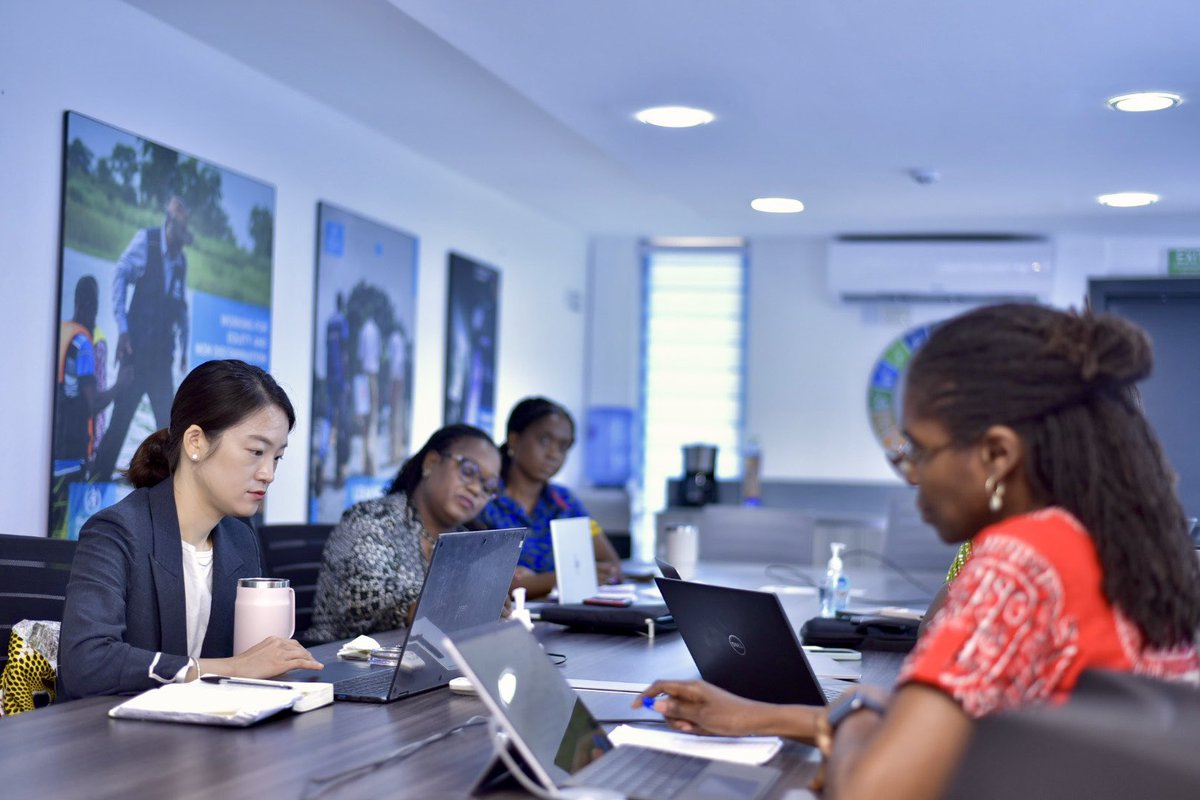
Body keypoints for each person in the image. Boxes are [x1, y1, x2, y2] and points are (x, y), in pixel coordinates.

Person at [634, 304, 1200, 800]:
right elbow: (991, 730)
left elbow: (872, 791)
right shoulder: (1112, 539)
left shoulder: (1024, 557)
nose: (911, 479)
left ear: (997, 454)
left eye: (919, 452)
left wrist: (857, 711)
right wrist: (757, 717)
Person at [58, 360, 322, 701]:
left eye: (276, 458)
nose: (268, 473)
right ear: (195, 442)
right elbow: (87, 664)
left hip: (208, 732)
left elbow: (257, 663)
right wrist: (231, 668)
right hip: (114, 740)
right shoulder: (116, 532)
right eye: (256, 452)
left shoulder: (240, 539)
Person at [305, 424, 503, 643]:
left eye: (489, 486)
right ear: (431, 463)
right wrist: (462, 607)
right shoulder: (370, 520)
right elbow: (365, 605)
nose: (476, 489)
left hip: (425, 664)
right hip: (340, 663)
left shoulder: (469, 543)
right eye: (468, 471)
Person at [475, 397, 621, 598]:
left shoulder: (565, 503)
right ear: (515, 440)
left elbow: (611, 566)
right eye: (544, 440)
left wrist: (535, 582)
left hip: (561, 619)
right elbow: (484, 582)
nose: (554, 454)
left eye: (563, 446)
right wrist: (565, 578)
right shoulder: (482, 496)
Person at [92, 196, 192, 483]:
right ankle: (96, 481)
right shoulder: (146, 243)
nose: (180, 243)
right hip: (135, 354)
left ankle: (172, 494)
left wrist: (185, 349)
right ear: (169, 226)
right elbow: (120, 274)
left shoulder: (180, 261)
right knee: (120, 422)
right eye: (179, 234)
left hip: (161, 361)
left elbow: (181, 307)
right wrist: (122, 328)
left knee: (172, 429)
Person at [50, 275, 128, 537]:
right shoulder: (84, 344)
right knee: (68, 538)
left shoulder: (63, 331)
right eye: (94, 305)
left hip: (54, 453)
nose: (96, 313)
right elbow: (92, 404)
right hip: (72, 457)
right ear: (86, 304)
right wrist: (121, 385)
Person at [355, 313, 382, 476]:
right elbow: (378, 354)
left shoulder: (363, 330)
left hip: (364, 378)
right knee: (372, 422)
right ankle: (370, 464)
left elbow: (360, 356)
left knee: (365, 423)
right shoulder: (376, 330)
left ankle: (366, 463)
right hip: (372, 378)